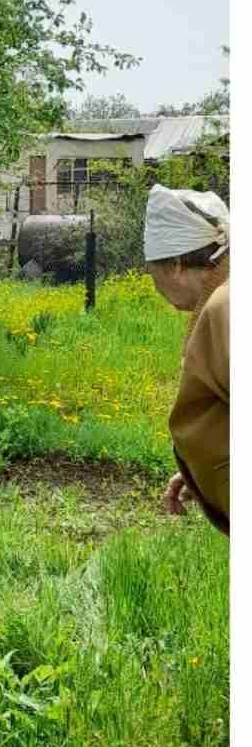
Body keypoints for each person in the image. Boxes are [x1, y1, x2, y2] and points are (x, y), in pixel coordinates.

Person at [143, 183, 228, 535]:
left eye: (153, 272)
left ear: (176, 264)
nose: (154, 284)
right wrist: (198, 469)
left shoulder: (228, 307)